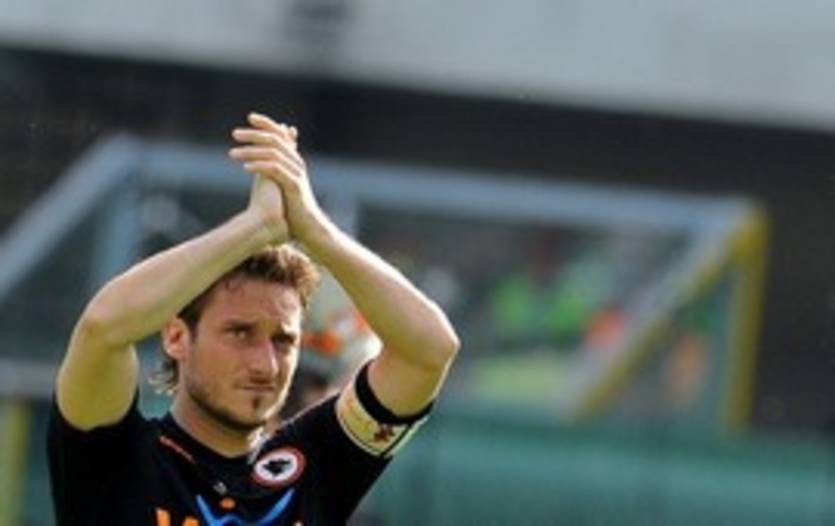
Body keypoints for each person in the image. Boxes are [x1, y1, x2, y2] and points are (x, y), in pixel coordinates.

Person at [47, 112, 460, 525]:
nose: (266, 364)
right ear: (176, 337)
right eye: (240, 333)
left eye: (283, 340)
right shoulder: (116, 457)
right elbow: (103, 327)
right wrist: (256, 228)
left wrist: (315, 230)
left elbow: (430, 350)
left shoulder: (318, 463)